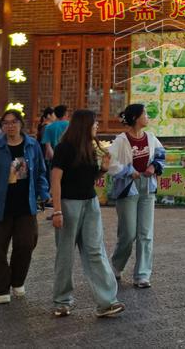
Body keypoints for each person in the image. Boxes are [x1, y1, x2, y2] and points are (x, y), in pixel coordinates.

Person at [49, 109, 124, 318]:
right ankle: (62, 301)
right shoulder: (64, 148)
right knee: (65, 253)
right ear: (84, 125)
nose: (97, 126)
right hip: (68, 205)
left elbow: (89, 179)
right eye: (94, 123)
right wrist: (56, 210)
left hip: (90, 203)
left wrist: (103, 169)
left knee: (95, 250)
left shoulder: (90, 148)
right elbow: (55, 180)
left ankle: (107, 301)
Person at [0, 109, 48, 304]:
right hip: (1, 205)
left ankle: (17, 280)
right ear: (2, 126)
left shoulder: (32, 145)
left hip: (25, 204)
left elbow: (40, 171)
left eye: (13, 122)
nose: (10, 126)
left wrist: (43, 193)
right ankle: (2, 288)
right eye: (5, 123)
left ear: (21, 124)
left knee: (26, 244)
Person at [108, 104, 165, 289]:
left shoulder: (151, 137)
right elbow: (109, 163)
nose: (147, 117)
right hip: (127, 188)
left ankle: (142, 275)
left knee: (145, 233)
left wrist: (153, 167)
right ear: (135, 118)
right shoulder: (120, 140)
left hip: (147, 187)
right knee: (128, 233)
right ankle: (116, 266)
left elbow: (161, 154)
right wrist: (127, 171)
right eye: (144, 114)